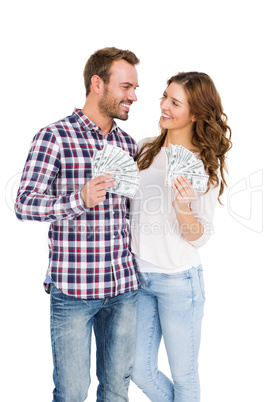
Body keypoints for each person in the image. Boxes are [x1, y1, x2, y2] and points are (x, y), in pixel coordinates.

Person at [15, 47, 140, 402]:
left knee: (117, 390)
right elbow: (24, 204)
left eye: (135, 88)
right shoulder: (54, 136)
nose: (133, 96)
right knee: (71, 393)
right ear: (97, 83)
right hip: (73, 289)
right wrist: (78, 200)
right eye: (126, 87)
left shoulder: (128, 144)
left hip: (124, 288)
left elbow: (131, 213)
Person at [129, 72, 232, 401]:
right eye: (164, 97)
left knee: (184, 374)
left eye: (175, 102)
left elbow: (199, 237)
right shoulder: (144, 149)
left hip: (179, 281)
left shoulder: (204, 165)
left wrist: (183, 207)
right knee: (137, 368)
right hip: (137, 278)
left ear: (197, 113)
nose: (163, 106)